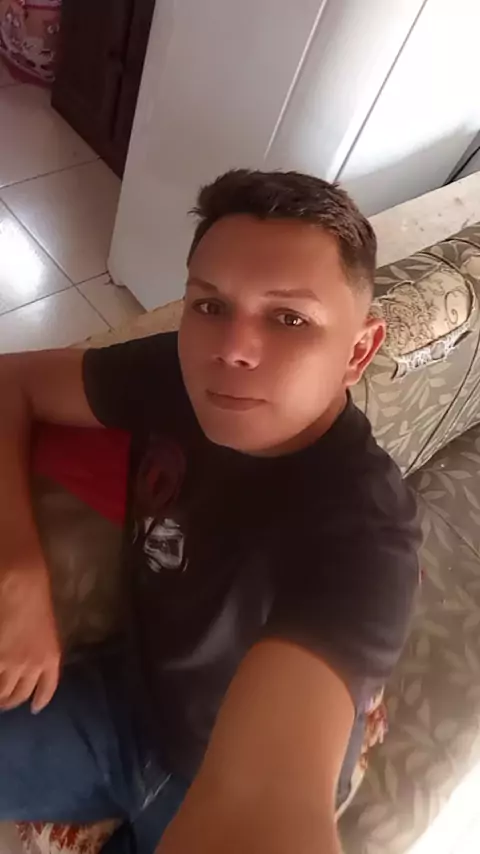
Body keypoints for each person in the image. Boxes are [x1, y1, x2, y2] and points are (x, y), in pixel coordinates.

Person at [0, 170, 420, 854]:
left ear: (358, 352)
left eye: (289, 318)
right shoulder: (174, 375)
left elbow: (264, 803)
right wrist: (19, 570)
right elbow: (9, 382)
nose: (231, 349)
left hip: (210, 773)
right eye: (210, 305)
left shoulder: (368, 536)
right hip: (121, 705)